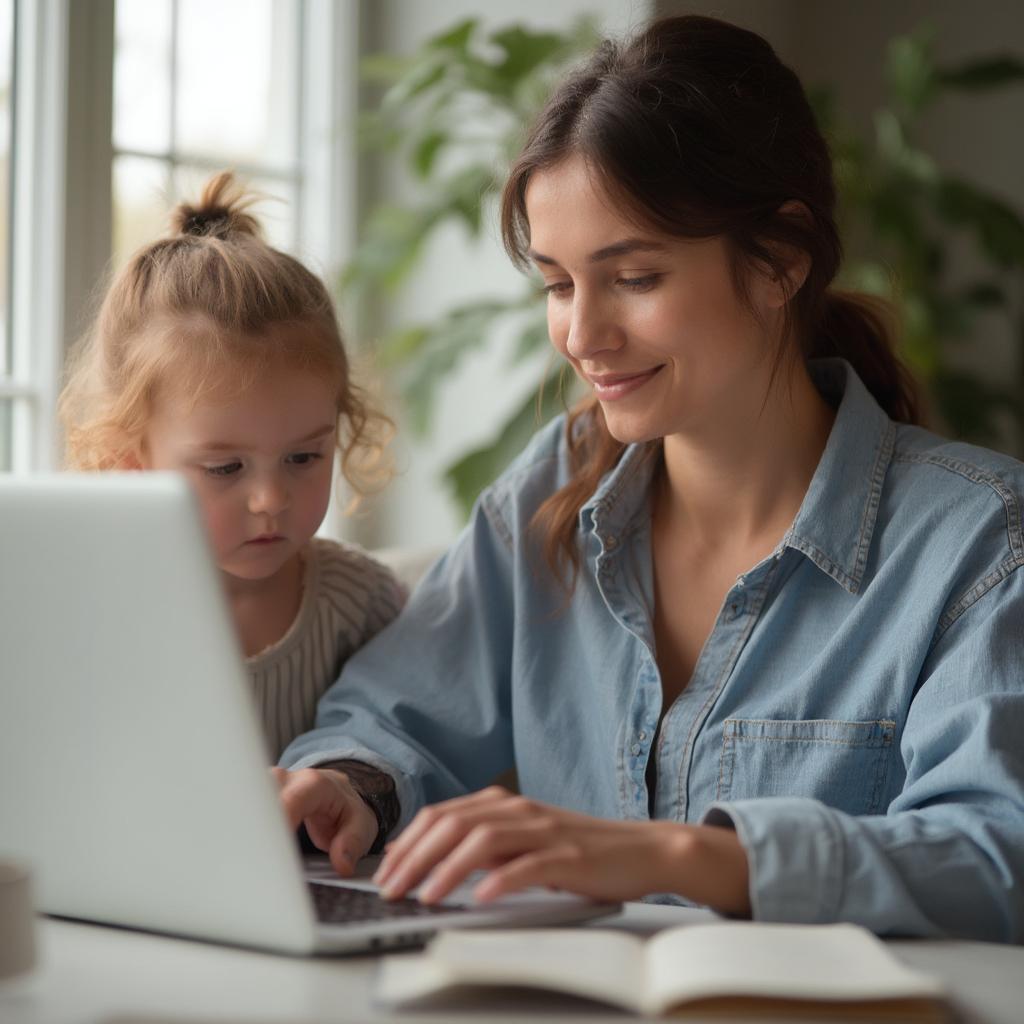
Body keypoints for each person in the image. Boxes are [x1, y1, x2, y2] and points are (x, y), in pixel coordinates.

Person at [275, 15, 1024, 940]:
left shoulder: (979, 537)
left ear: (780, 260)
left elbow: (997, 856)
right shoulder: (548, 493)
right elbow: (394, 714)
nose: (583, 336)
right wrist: (345, 785)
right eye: (557, 283)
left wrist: (678, 857)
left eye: (632, 277)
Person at [59, 172, 406, 763]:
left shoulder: (362, 606)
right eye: (224, 468)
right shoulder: (89, 606)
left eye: (303, 457)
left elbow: (407, 754)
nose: (270, 497)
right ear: (129, 459)